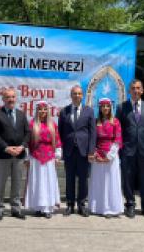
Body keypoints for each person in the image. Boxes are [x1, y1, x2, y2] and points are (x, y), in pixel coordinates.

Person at [115, 79, 144, 218]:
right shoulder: (121, 107)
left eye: (138, 88)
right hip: (128, 149)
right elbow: (118, 130)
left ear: (142, 90)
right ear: (129, 91)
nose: (136, 91)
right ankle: (130, 205)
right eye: (133, 88)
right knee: (128, 179)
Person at [0, 87, 30, 221]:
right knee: (0, 183)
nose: (10, 99)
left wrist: (22, 146)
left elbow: (27, 133)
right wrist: (6, 148)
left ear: (15, 98)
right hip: (3, 154)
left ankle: (15, 208)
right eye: (8, 97)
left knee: (17, 183)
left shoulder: (21, 114)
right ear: (3, 99)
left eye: (12, 97)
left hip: (18, 155)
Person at [58, 85, 96, 217]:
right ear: (71, 95)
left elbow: (93, 133)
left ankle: (81, 204)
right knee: (69, 179)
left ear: (82, 95)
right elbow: (60, 132)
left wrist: (91, 151)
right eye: (74, 93)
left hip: (84, 151)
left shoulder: (89, 111)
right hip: (69, 151)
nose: (77, 96)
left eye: (79, 94)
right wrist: (62, 149)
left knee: (83, 179)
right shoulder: (64, 111)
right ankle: (69, 204)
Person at [25, 101, 62, 218]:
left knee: (48, 182)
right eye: (40, 110)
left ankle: (48, 207)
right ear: (37, 111)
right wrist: (28, 157)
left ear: (48, 111)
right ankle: (38, 207)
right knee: (37, 182)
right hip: (36, 157)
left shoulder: (53, 125)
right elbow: (27, 142)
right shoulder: (32, 124)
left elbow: (58, 141)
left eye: (45, 109)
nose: (43, 112)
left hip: (49, 158)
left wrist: (57, 155)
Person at [88, 98, 124, 217]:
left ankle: (110, 208)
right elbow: (93, 139)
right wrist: (95, 154)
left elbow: (118, 139)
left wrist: (110, 156)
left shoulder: (116, 122)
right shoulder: (95, 121)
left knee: (110, 182)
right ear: (100, 108)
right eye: (103, 106)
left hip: (111, 156)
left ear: (110, 108)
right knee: (99, 181)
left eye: (107, 106)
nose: (105, 108)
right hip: (98, 155)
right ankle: (98, 207)